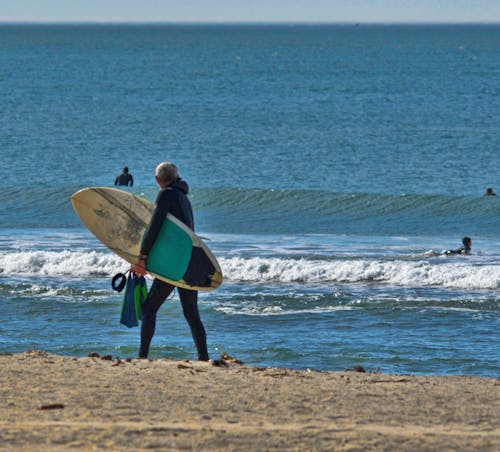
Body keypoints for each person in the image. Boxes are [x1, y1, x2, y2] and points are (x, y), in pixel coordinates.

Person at [131, 162, 209, 361]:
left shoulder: (165, 195)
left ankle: (142, 356)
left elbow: (155, 227)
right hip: (189, 263)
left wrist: (142, 257)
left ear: (158, 180)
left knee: (149, 308)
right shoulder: (183, 198)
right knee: (192, 315)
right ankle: (203, 358)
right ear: (176, 176)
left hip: (174, 264)